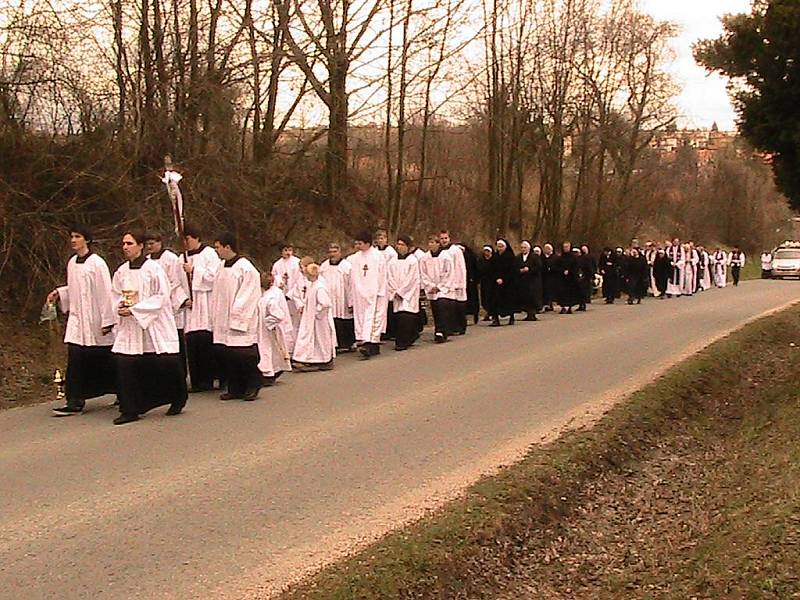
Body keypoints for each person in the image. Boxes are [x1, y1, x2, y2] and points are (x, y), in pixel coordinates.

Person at [111, 230, 188, 425]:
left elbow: (162, 296)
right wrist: (120, 306)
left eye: (129, 243)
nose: (125, 247)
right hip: (130, 327)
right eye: (123, 244)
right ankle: (130, 408)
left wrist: (136, 310)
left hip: (154, 324)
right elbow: (115, 294)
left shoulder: (154, 269)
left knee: (165, 364)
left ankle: (177, 398)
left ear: (140, 246)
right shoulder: (121, 271)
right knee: (126, 364)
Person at [48, 226, 117, 415]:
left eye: (77, 237)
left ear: (87, 240)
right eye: (72, 236)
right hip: (78, 320)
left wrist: (107, 320)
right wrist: (60, 293)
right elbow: (74, 288)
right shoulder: (72, 263)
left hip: (95, 319)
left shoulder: (97, 263)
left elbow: (105, 292)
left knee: (104, 357)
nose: (73, 240)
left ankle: (121, 390)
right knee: (76, 356)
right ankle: (75, 400)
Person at [210, 232, 262, 401]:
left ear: (228, 247)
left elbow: (248, 294)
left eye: (218, 247)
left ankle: (253, 384)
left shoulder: (245, 268)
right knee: (229, 354)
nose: (216, 251)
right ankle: (235, 387)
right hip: (223, 317)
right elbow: (217, 292)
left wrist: (237, 316)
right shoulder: (221, 266)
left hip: (240, 317)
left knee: (244, 354)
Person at [181, 224, 222, 392]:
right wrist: (183, 299)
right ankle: (197, 380)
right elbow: (176, 283)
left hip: (206, 302)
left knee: (206, 342)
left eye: (188, 239)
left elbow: (215, 276)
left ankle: (210, 378)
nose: (185, 243)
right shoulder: (181, 258)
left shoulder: (209, 254)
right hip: (191, 306)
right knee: (192, 343)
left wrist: (194, 271)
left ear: (196, 237)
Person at [146, 232, 190, 374]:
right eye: (147, 244)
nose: (149, 246)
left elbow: (176, 281)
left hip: (170, 304)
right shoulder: (146, 260)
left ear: (160, 242)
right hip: (152, 306)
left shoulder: (170, 258)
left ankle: (180, 372)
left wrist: (170, 297)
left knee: (174, 339)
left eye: (152, 243)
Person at [348, 230, 388, 359]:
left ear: (368, 243)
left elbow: (382, 274)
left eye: (360, 243)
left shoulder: (378, 256)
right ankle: (363, 341)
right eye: (356, 243)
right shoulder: (354, 258)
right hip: (360, 293)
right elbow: (352, 277)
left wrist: (380, 291)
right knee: (361, 318)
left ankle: (371, 343)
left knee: (374, 318)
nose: (358, 246)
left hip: (375, 292)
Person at [292, 263, 337, 371]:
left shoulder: (319, 287)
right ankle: (310, 359)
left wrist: (316, 313)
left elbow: (325, 303)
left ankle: (325, 360)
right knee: (312, 338)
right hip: (311, 318)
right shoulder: (313, 285)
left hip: (319, 320)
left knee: (321, 339)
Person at [257, 272, 293, 385]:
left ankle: (268, 373)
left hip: (269, 328)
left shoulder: (270, 297)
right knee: (271, 349)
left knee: (267, 349)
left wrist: (267, 323)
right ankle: (272, 370)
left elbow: (278, 314)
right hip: (268, 328)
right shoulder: (268, 294)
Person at [387, 236, 421, 350]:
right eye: (398, 244)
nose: (399, 247)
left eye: (402, 245)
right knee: (397, 317)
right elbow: (389, 277)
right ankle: (400, 339)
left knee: (406, 316)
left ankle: (405, 341)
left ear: (408, 247)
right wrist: (394, 291)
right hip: (395, 293)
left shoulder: (412, 261)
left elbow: (412, 279)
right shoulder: (392, 261)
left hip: (408, 294)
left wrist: (401, 292)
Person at [320, 243, 356, 352]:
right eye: (330, 252)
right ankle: (336, 344)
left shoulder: (347, 266)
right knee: (333, 320)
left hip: (343, 298)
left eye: (335, 252)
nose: (332, 254)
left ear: (340, 253)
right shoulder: (324, 266)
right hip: (330, 298)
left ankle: (349, 343)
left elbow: (352, 285)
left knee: (346, 319)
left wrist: (351, 301)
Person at [271, 243, 302, 353]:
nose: (288, 252)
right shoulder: (277, 265)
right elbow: (275, 278)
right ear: (281, 251)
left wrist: (291, 294)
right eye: (285, 250)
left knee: (296, 322)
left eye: (290, 250)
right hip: (282, 296)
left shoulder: (297, 263)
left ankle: (298, 348)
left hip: (295, 297)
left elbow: (299, 280)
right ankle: (288, 348)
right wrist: (280, 286)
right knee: (286, 322)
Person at [439, 230, 468, 335]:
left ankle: (460, 327)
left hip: (456, 281)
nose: (444, 240)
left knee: (459, 306)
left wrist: (459, 283)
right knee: (449, 307)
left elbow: (460, 267)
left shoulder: (455, 250)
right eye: (442, 238)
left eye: (445, 238)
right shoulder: (440, 251)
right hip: (446, 283)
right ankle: (450, 327)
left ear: (449, 239)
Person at [420, 234, 448, 343]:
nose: (431, 245)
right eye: (429, 243)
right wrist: (430, 285)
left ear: (438, 244)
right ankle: (437, 330)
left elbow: (448, 272)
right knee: (435, 309)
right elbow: (423, 273)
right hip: (431, 288)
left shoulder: (445, 256)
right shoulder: (425, 258)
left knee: (442, 308)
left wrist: (440, 286)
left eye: (433, 243)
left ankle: (442, 331)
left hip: (443, 288)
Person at [375, 229, 398, 341]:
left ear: (386, 239)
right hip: (377, 282)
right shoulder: (374, 251)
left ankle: (391, 330)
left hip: (388, 281)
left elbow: (392, 267)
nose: (380, 240)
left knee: (389, 306)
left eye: (382, 238)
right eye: (378, 239)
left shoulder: (391, 252)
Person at [489, 239, 516, 326]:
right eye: (498, 246)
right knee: (495, 301)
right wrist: (496, 278)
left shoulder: (510, 257)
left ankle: (511, 317)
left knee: (508, 301)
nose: (500, 248)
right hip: (496, 283)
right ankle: (495, 319)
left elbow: (512, 271)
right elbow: (491, 270)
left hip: (508, 284)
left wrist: (503, 279)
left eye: (501, 247)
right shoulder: (495, 257)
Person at [514, 240, 541, 321]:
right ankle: (528, 313)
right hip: (523, 281)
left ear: (529, 248)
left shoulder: (535, 256)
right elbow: (515, 268)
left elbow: (539, 267)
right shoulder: (518, 257)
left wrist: (529, 269)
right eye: (522, 248)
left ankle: (532, 313)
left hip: (533, 281)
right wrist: (520, 270)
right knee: (525, 297)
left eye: (525, 248)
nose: (523, 249)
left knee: (533, 297)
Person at [557, 242, 581, 314]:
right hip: (562, 278)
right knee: (562, 293)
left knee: (571, 293)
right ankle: (563, 307)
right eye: (564, 247)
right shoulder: (560, 257)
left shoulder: (574, 257)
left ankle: (570, 307)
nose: (565, 248)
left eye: (567, 247)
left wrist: (570, 271)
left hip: (571, 278)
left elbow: (576, 267)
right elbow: (557, 266)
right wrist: (562, 271)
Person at [578, 245, 596, 310]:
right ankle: (580, 304)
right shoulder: (577, 259)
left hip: (585, 277)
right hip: (578, 277)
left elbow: (590, 267)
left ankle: (583, 304)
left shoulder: (586, 258)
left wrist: (592, 275)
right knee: (579, 291)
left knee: (584, 291)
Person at [541, 243, 558, 311]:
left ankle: (550, 303)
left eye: (548, 249)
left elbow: (557, 266)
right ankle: (547, 303)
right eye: (545, 248)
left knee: (551, 291)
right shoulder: (542, 257)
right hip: (545, 276)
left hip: (552, 277)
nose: (546, 250)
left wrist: (552, 268)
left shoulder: (555, 257)